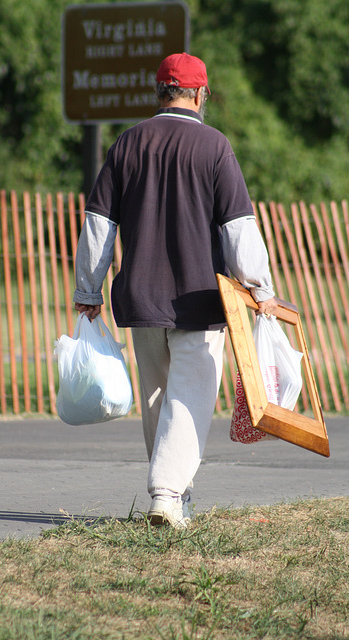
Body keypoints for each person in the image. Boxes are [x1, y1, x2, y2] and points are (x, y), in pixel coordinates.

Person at [73, 52, 278, 528]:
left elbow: (99, 224)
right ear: (201, 93)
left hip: (141, 297)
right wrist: (261, 288)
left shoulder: (128, 143)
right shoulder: (214, 147)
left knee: (158, 401)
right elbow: (238, 228)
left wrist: (88, 288)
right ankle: (166, 493)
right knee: (189, 398)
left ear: (159, 92)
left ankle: (177, 498)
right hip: (199, 299)